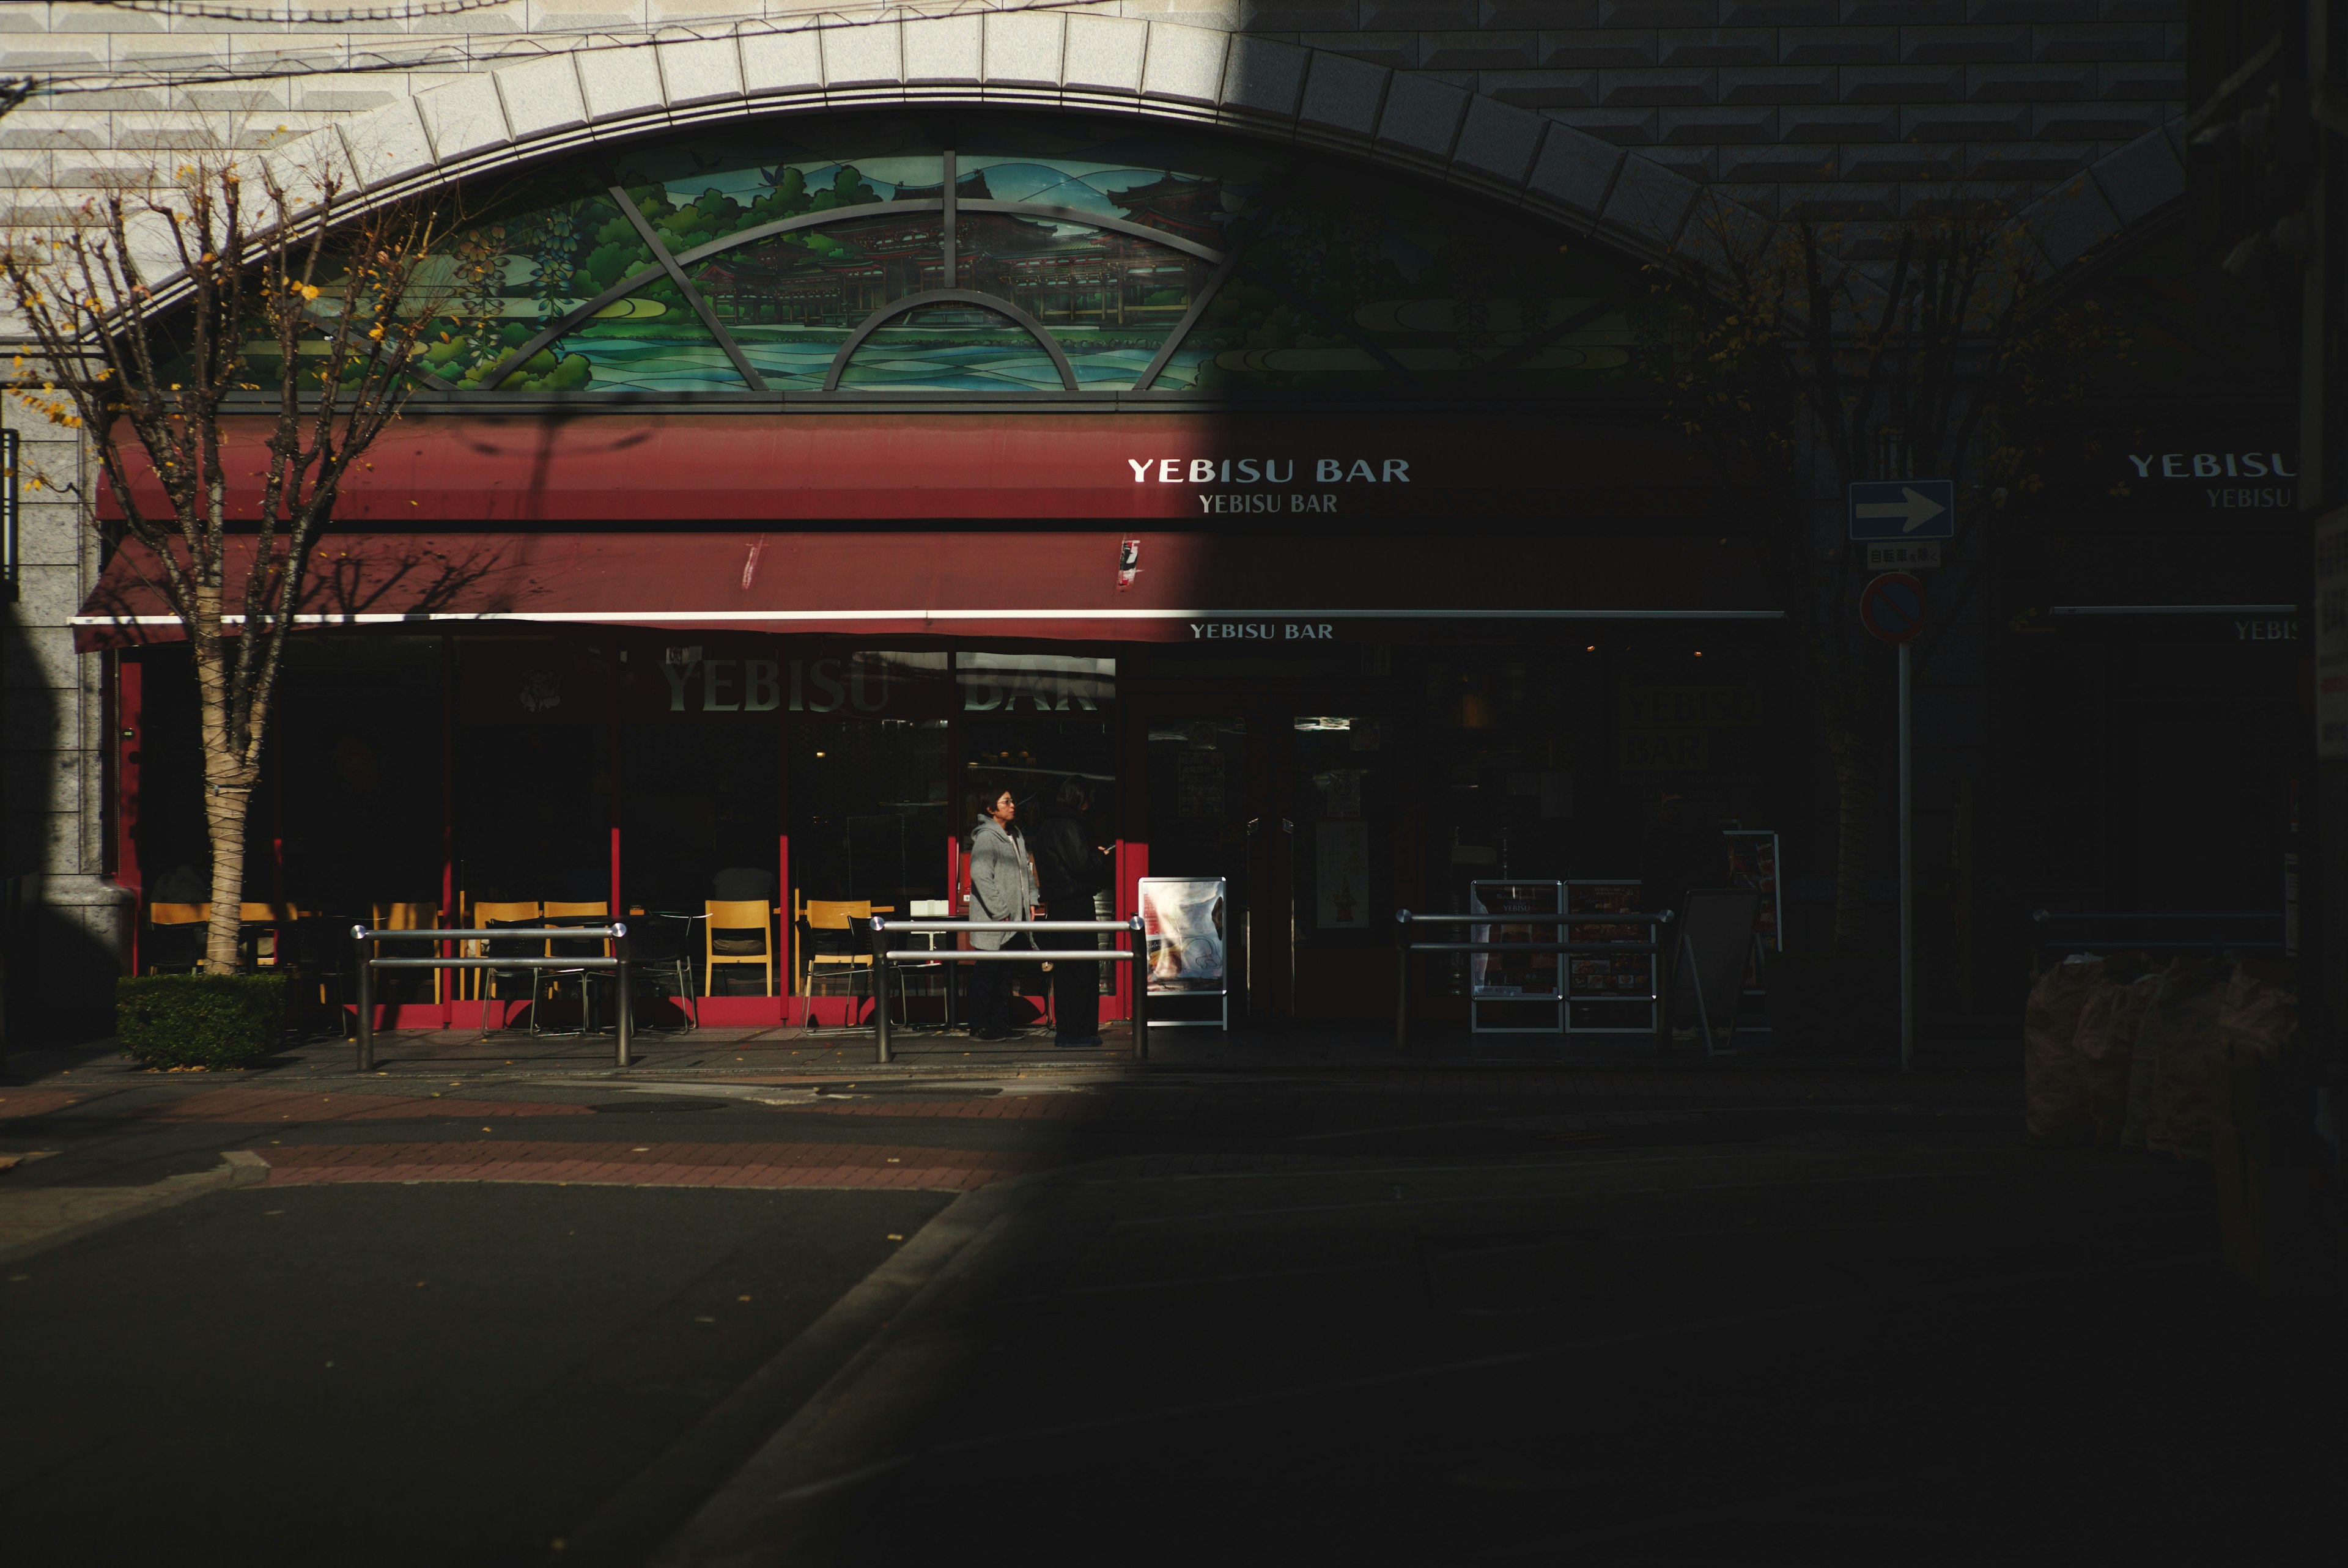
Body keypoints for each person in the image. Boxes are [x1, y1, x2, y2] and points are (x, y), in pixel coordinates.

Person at [1032, 776, 1112, 1047]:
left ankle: (1068, 1029)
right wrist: (1100, 856)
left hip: (1057, 905)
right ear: (1081, 799)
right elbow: (1083, 865)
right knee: (1081, 968)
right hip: (1075, 903)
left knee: (1066, 971)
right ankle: (1077, 1032)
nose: (1090, 805)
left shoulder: (1047, 825)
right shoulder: (1071, 825)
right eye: (1088, 798)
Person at [965, 784, 1037, 1042]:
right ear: (990, 808)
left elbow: (1025, 871)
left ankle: (999, 1024)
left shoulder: (1015, 834)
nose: (1012, 805)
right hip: (994, 921)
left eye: (1012, 801)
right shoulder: (986, 837)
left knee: (1005, 975)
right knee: (987, 973)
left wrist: (1032, 900)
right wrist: (999, 911)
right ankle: (980, 1026)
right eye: (1006, 802)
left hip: (1013, 920)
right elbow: (981, 876)